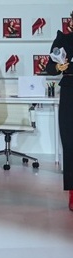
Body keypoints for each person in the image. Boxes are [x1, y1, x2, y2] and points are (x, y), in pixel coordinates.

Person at [45, 29, 73, 210]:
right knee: (70, 141)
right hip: (70, 91)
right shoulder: (63, 39)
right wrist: (57, 68)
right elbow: (49, 67)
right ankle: (72, 191)